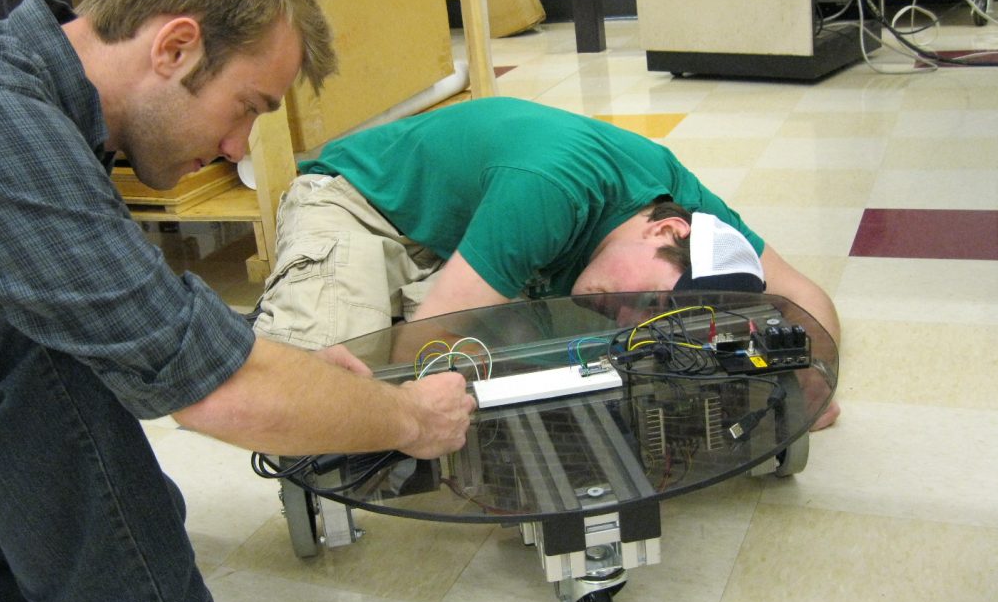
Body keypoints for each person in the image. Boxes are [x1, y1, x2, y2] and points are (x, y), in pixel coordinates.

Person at [0, 0, 475, 602]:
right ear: (177, 47)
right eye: (246, 107)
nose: (235, 146)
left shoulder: (15, 83)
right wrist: (407, 419)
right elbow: (212, 386)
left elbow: (141, 329)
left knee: (88, 533)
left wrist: (299, 381)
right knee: (11, 322)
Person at [253, 96, 841, 427]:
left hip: (466, 243)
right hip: (364, 204)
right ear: (666, 229)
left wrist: (811, 387)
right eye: (652, 303)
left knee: (530, 366)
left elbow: (804, 295)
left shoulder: (696, 219)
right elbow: (422, 346)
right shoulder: (551, 188)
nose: (631, 318)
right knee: (321, 397)